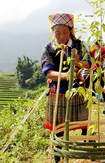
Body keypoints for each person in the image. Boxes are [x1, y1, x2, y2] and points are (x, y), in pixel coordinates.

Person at [41, 13, 90, 163]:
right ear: (53, 32)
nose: (61, 36)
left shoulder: (79, 45)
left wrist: (77, 62)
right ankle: (58, 154)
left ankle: (86, 145)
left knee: (83, 120)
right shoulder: (49, 48)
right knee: (59, 124)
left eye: (65, 32)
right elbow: (49, 72)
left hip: (79, 89)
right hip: (59, 90)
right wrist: (64, 75)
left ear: (70, 32)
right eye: (58, 32)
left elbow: (88, 64)